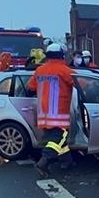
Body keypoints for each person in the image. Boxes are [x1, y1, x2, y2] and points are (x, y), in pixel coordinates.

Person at [27, 43, 76, 177]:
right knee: (57, 139)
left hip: (44, 113)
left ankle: (67, 162)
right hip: (59, 113)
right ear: (61, 55)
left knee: (58, 140)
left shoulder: (39, 71)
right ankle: (43, 162)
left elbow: (30, 88)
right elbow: (83, 84)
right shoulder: (65, 70)